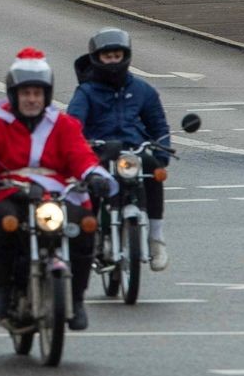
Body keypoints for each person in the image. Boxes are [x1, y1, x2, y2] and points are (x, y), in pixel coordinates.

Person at [0, 47, 108, 332]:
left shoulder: (65, 125)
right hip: (11, 192)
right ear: (15, 95)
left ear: (46, 95)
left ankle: (77, 299)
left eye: (37, 93)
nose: (32, 99)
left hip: (56, 196)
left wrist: (94, 176)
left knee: (86, 225)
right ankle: (2, 291)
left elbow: (81, 156)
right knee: (3, 221)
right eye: (26, 93)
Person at [67, 27, 172, 271]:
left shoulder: (142, 90)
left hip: (133, 152)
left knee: (153, 171)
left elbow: (159, 125)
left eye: (117, 55)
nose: (113, 61)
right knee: (91, 182)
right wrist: (81, 147)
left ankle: (156, 238)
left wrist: (162, 151)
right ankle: (92, 234)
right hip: (99, 152)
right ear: (97, 58)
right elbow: (73, 125)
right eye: (107, 56)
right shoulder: (86, 92)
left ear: (126, 56)